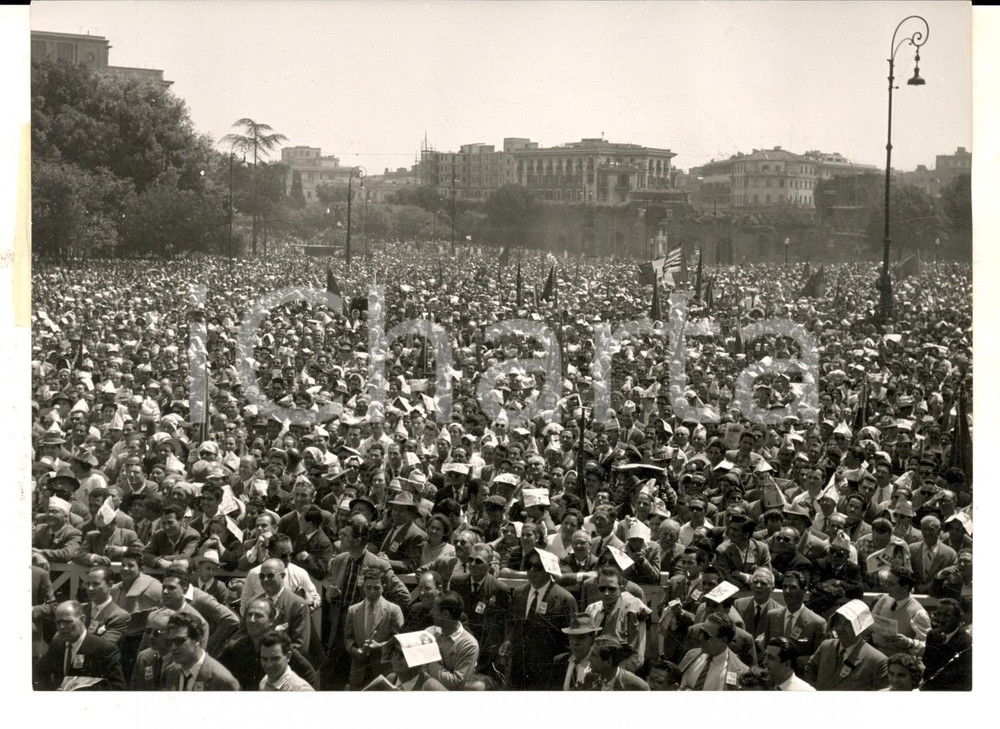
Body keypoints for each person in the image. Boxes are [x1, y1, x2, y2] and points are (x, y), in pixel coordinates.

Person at [500, 548, 576, 690]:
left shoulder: (565, 599)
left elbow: (569, 639)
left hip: (548, 671)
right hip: (519, 668)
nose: (532, 570)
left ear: (548, 570)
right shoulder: (519, 592)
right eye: (529, 566)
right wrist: (508, 640)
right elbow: (511, 623)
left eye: (538, 567)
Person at [217, 597, 318, 691]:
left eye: (258, 616)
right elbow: (216, 672)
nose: (252, 620)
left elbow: (310, 676)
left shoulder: (280, 648)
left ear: (271, 620)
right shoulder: (236, 647)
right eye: (249, 615)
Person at [33, 600, 126, 690]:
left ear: (82, 619)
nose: (61, 627)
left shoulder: (105, 649)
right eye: (58, 622)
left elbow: (117, 689)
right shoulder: (57, 645)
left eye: (67, 621)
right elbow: (38, 672)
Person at [451, 542, 510, 678]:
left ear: (489, 566)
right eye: (470, 560)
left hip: (486, 653)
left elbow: (503, 623)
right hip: (461, 646)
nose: (472, 564)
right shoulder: (457, 583)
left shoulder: (500, 589)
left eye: (478, 561)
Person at [804, 600, 889, 690]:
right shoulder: (826, 646)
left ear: (860, 626)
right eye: (838, 622)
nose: (840, 628)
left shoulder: (877, 660)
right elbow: (809, 670)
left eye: (847, 623)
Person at [344, 567, 405, 690]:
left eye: (376, 588)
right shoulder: (353, 610)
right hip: (358, 671)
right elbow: (348, 638)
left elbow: (399, 640)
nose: (372, 592)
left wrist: (380, 646)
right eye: (368, 587)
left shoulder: (393, 610)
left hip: (384, 671)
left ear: (383, 587)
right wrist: (356, 651)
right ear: (363, 587)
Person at [584, 566, 651, 672]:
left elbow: (637, 658)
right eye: (602, 588)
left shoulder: (633, 609)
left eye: (611, 589)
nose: (606, 593)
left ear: (620, 588)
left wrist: (611, 673)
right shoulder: (591, 610)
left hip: (620, 674)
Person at [161, 611, 240, 691]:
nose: (173, 647)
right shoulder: (170, 673)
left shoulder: (222, 680)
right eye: (169, 642)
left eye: (179, 641)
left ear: (197, 639)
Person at [869, 566, 931, 656]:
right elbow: (870, 622)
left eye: (891, 584)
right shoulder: (884, 599)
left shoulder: (918, 613)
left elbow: (927, 646)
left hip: (899, 662)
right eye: (887, 582)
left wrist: (909, 642)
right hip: (876, 654)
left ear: (905, 588)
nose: (887, 587)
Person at [423, 591, 480, 689]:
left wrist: (430, 662)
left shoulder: (469, 645)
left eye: (434, 609)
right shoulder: (430, 632)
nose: (431, 612)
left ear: (445, 614)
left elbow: (456, 683)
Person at [677, 612, 748, 691]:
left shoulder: (739, 671)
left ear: (724, 640)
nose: (701, 638)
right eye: (701, 632)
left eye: (707, 635)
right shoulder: (691, 655)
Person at [921, 597, 972, 691]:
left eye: (947, 615)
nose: (940, 619)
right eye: (938, 614)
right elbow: (926, 661)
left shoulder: (966, 642)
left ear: (957, 618)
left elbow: (958, 676)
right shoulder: (932, 635)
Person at [81, 566, 131, 646]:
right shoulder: (79, 609)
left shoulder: (120, 616)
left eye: (95, 584)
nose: (90, 588)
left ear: (110, 585)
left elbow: (103, 646)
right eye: (88, 584)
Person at [582, 635, 650, 690]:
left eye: (593, 655)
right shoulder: (589, 679)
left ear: (609, 661)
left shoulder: (637, 687)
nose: (588, 659)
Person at [129, 608, 174, 690]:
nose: (151, 636)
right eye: (149, 631)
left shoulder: (181, 662)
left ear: (171, 634)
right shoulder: (144, 657)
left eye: (157, 633)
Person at [554, 612, 600, 690]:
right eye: (571, 637)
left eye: (580, 637)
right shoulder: (560, 661)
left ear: (592, 638)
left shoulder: (599, 665)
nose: (574, 642)